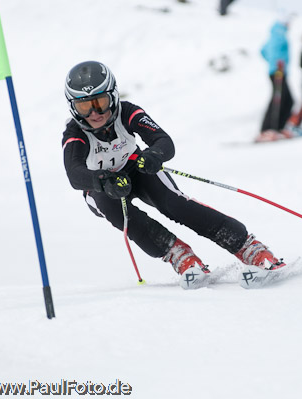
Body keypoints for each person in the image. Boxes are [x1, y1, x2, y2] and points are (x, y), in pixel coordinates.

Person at [61, 61, 286, 289]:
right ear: (73, 107)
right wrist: (102, 180)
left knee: (174, 204)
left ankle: (248, 247)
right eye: (84, 107)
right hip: (102, 185)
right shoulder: (74, 133)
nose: (94, 113)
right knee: (120, 214)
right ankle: (180, 255)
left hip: (136, 167)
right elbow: (74, 174)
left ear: (113, 96)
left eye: (100, 103)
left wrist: (153, 155)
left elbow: (163, 141)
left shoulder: (126, 111)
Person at [259, 18, 294, 136]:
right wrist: (275, 63)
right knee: (279, 99)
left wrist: (271, 62)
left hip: (278, 71)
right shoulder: (279, 34)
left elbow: (263, 51)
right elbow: (272, 51)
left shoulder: (274, 34)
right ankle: (268, 129)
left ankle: (277, 127)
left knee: (286, 99)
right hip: (278, 71)